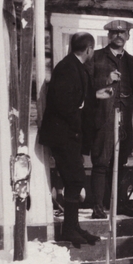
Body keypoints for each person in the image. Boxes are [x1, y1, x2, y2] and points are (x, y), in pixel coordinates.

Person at [38, 33, 99, 248]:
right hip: (63, 135)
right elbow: (64, 103)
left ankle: (73, 227)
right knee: (74, 180)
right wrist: (78, 116)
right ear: (89, 50)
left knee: (75, 180)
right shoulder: (66, 67)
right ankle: (69, 230)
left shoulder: (75, 66)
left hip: (70, 134)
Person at [87, 19, 133, 219]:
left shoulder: (132, 62)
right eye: (114, 33)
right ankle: (98, 206)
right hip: (104, 117)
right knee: (101, 161)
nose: (119, 36)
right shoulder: (96, 58)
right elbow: (84, 85)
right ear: (108, 35)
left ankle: (118, 204)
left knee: (121, 162)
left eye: (122, 33)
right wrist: (106, 80)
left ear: (128, 37)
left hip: (127, 119)